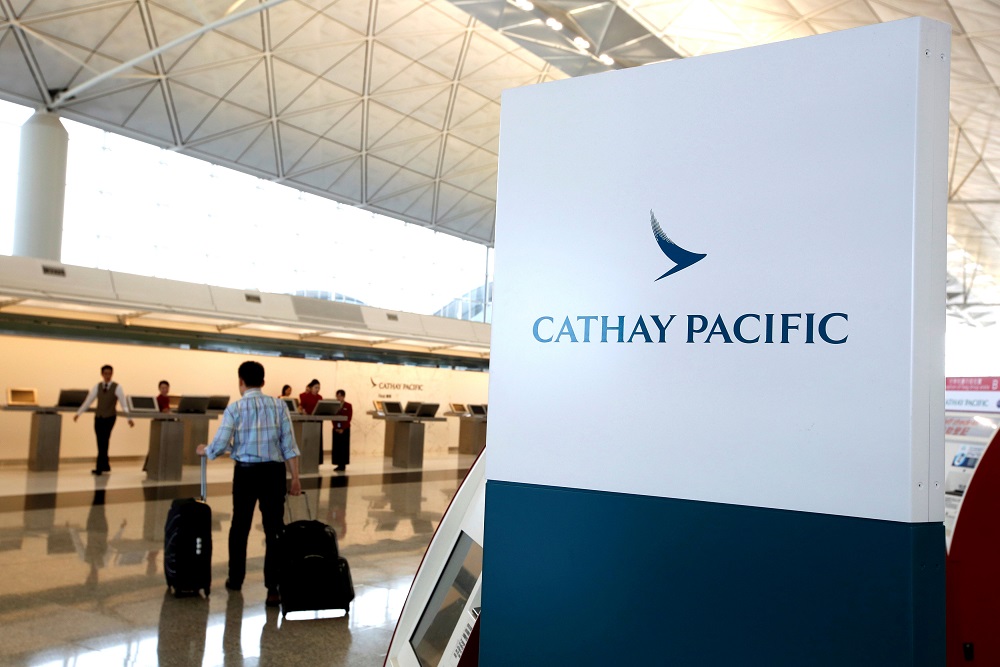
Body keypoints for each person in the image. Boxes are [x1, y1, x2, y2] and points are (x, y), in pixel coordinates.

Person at [196, 361, 301, 607]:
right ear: (263, 383)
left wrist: (206, 451)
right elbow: (289, 445)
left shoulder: (235, 408)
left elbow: (220, 444)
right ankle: (273, 588)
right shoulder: (279, 406)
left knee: (239, 526)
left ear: (240, 381)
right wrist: (295, 477)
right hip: (274, 474)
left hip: (245, 474)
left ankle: (235, 579)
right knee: (274, 528)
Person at [74, 364, 135, 475]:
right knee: (100, 441)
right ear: (102, 374)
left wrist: (129, 418)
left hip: (110, 417)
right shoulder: (97, 386)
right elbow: (89, 400)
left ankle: (99, 467)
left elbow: (123, 403)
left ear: (112, 374)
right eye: (105, 373)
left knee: (104, 440)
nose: (107, 376)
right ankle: (105, 465)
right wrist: (79, 413)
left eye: (109, 373)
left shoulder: (117, 387)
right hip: (98, 417)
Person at [331, 389, 352, 472]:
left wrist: (343, 428)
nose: (338, 398)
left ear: (343, 396)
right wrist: (335, 427)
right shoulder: (334, 405)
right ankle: (338, 463)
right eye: (337, 396)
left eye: (340, 396)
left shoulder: (348, 405)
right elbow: (332, 416)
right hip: (336, 429)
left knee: (344, 447)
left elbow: (349, 418)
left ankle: (343, 464)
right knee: (337, 447)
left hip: (345, 429)